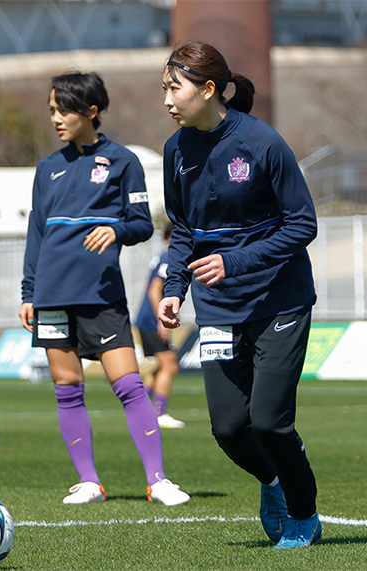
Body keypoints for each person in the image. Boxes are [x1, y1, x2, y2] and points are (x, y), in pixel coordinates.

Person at [157, 42, 321, 548]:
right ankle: (273, 483)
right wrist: (175, 288)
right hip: (219, 310)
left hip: (279, 301)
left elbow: (303, 224)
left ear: (208, 89)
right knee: (229, 429)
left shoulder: (262, 142)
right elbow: (184, 231)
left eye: (175, 88)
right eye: (164, 89)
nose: (167, 100)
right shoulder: (175, 151)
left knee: (269, 423)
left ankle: (304, 516)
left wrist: (234, 262)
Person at [20, 71, 190, 507]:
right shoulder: (47, 168)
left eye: (63, 110)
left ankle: (158, 481)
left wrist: (115, 230)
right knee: (67, 388)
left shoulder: (123, 162)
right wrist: (28, 292)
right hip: (52, 298)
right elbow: (36, 234)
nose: (56, 119)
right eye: (52, 110)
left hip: (101, 295)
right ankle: (89, 483)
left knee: (129, 385)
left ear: (91, 111)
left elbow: (141, 225)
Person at [135, 223, 186, 429]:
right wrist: (160, 321)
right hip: (151, 321)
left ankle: (139, 406)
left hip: (146, 319)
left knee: (164, 364)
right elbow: (154, 289)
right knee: (170, 365)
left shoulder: (163, 256)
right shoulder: (169, 257)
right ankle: (159, 414)